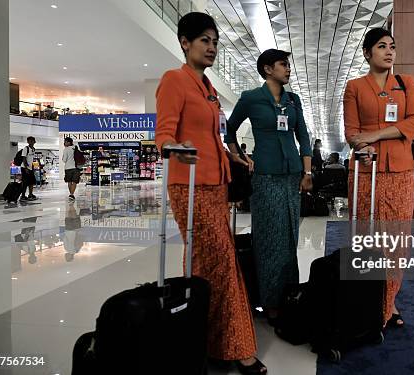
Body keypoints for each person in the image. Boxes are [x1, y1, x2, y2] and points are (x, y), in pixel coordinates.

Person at [155, 12, 266, 374]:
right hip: (189, 184)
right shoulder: (174, 80)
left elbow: (214, 136)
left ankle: (206, 341)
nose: (212, 47)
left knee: (208, 262)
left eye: (215, 42)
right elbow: (164, 133)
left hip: (215, 184)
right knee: (221, 260)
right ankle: (236, 345)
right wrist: (175, 145)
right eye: (204, 40)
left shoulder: (209, 89)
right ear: (184, 42)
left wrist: (232, 156)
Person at [225, 48, 313, 326]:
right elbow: (230, 129)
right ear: (267, 69)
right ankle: (270, 300)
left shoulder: (293, 100)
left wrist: (308, 170)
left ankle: (288, 293)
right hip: (265, 176)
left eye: (288, 64)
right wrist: (238, 155)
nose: (288, 69)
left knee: (290, 237)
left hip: (292, 177)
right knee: (269, 238)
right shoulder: (251, 98)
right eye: (283, 65)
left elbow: (304, 137)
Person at [343, 27, 414, 329]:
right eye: (381, 46)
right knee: (366, 236)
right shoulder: (354, 87)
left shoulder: (407, 83)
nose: (389, 51)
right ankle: (367, 298)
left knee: (396, 240)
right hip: (366, 171)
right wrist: (361, 144)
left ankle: (388, 303)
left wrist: (374, 134)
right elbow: (351, 132)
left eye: (392, 46)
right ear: (367, 53)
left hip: (401, 171)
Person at [62, 137, 81, 201]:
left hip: (68, 168)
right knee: (75, 182)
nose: (64, 143)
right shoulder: (75, 148)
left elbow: (64, 160)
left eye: (65, 141)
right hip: (76, 167)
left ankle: (71, 194)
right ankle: (72, 194)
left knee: (69, 182)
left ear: (68, 142)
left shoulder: (66, 149)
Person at [20, 136, 37, 201]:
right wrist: (26, 168)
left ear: (34, 142)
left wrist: (32, 168)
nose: (31, 142)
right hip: (24, 168)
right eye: (29, 141)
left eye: (32, 141)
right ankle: (23, 196)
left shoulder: (33, 149)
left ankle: (30, 195)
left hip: (30, 168)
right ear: (27, 142)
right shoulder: (26, 148)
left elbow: (31, 159)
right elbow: (24, 159)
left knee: (32, 182)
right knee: (25, 183)